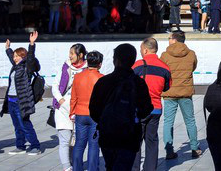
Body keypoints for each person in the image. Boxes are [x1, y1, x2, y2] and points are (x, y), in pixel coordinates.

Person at [90, 43, 153, 169]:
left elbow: (94, 110)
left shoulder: (104, 82)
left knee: (110, 166)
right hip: (129, 135)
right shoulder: (138, 83)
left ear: (116, 60)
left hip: (108, 135)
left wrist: (107, 120)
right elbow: (146, 109)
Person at [132, 37, 171, 171]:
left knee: (136, 140)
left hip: (139, 109)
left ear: (145, 50)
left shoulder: (137, 65)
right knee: (152, 141)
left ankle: (135, 168)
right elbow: (167, 87)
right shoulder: (165, 67)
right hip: (156, 109)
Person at [159, 31, 200, 159]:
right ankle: (194, 148)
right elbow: (193, 67)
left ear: (174, 40)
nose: (168, 40)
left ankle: (169, 150)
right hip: (185, 92)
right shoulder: (191, 54)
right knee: (190, 120)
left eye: (169, 38)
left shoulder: (165, 55)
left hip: (169, 92)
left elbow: (162, 71)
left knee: (168, 122)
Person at [1, 30, 41, 155]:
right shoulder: (16, 66)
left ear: (23, 56)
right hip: (11, 100)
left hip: (21, 100)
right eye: (14, 56)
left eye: (18, 56)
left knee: (25, 124)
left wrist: (32, 44)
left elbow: (31, 59)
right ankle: (20, 146)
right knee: (17, 125)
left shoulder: (26, 67)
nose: (15, 57)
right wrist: (8, 49)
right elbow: (10, 58)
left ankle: (35, 146)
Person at [52, 43, 87, 171]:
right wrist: (61, 100)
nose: (70, 56)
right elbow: (55, 85)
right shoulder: (65, 67)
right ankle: (67, 167)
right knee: (65, 140)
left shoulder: (88, 69)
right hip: (63, 109)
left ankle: (75, 163)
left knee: (77, 141)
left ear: (81, 55)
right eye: (70, 53)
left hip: (79, 109)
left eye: (72, 53)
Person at [70, 50, 104, 171]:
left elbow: (73, 97)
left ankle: (77, 168)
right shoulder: (101, 78)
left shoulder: (78, 77)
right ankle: (92, 168)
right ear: (100, 64)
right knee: (94, 145)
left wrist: (71, 113)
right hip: (95, 115)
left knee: (79, 144)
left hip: (80, 113)